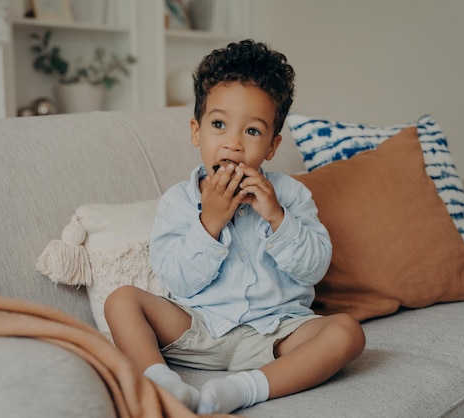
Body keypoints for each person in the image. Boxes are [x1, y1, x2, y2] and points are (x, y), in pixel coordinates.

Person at [104, 39, 365, 414]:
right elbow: (178, 281)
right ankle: (161, 382)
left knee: (347, 333)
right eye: (219, 124)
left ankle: (244, 389)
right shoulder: (178, 201)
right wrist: (209, 222)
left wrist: (277, 216)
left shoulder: (290, 195)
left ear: (272, 147)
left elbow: (314, 268)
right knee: (122, 299)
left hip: (276, 332)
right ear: (197, 131)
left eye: (253, 132)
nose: (233, 143)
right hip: (199, 327)